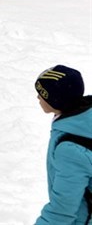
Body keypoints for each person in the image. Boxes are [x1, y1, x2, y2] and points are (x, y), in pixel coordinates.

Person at [34, 65, 92, 225]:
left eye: (42, 94)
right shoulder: (86, 119)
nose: (37, 98)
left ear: (56, 100)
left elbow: (62, 211)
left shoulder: (70, 150)